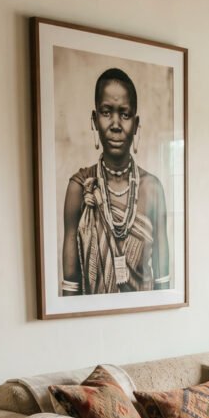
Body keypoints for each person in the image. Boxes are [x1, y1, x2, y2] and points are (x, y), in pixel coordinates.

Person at [61, 68, 169, 295]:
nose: (116, 124)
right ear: (94, 119)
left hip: (146, 322)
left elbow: (164, 288)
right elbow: (70, 291)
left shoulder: (152, 189)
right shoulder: (80, 188)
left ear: (136, 123)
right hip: (92, 326)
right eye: (107, 112)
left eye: (125, 114)